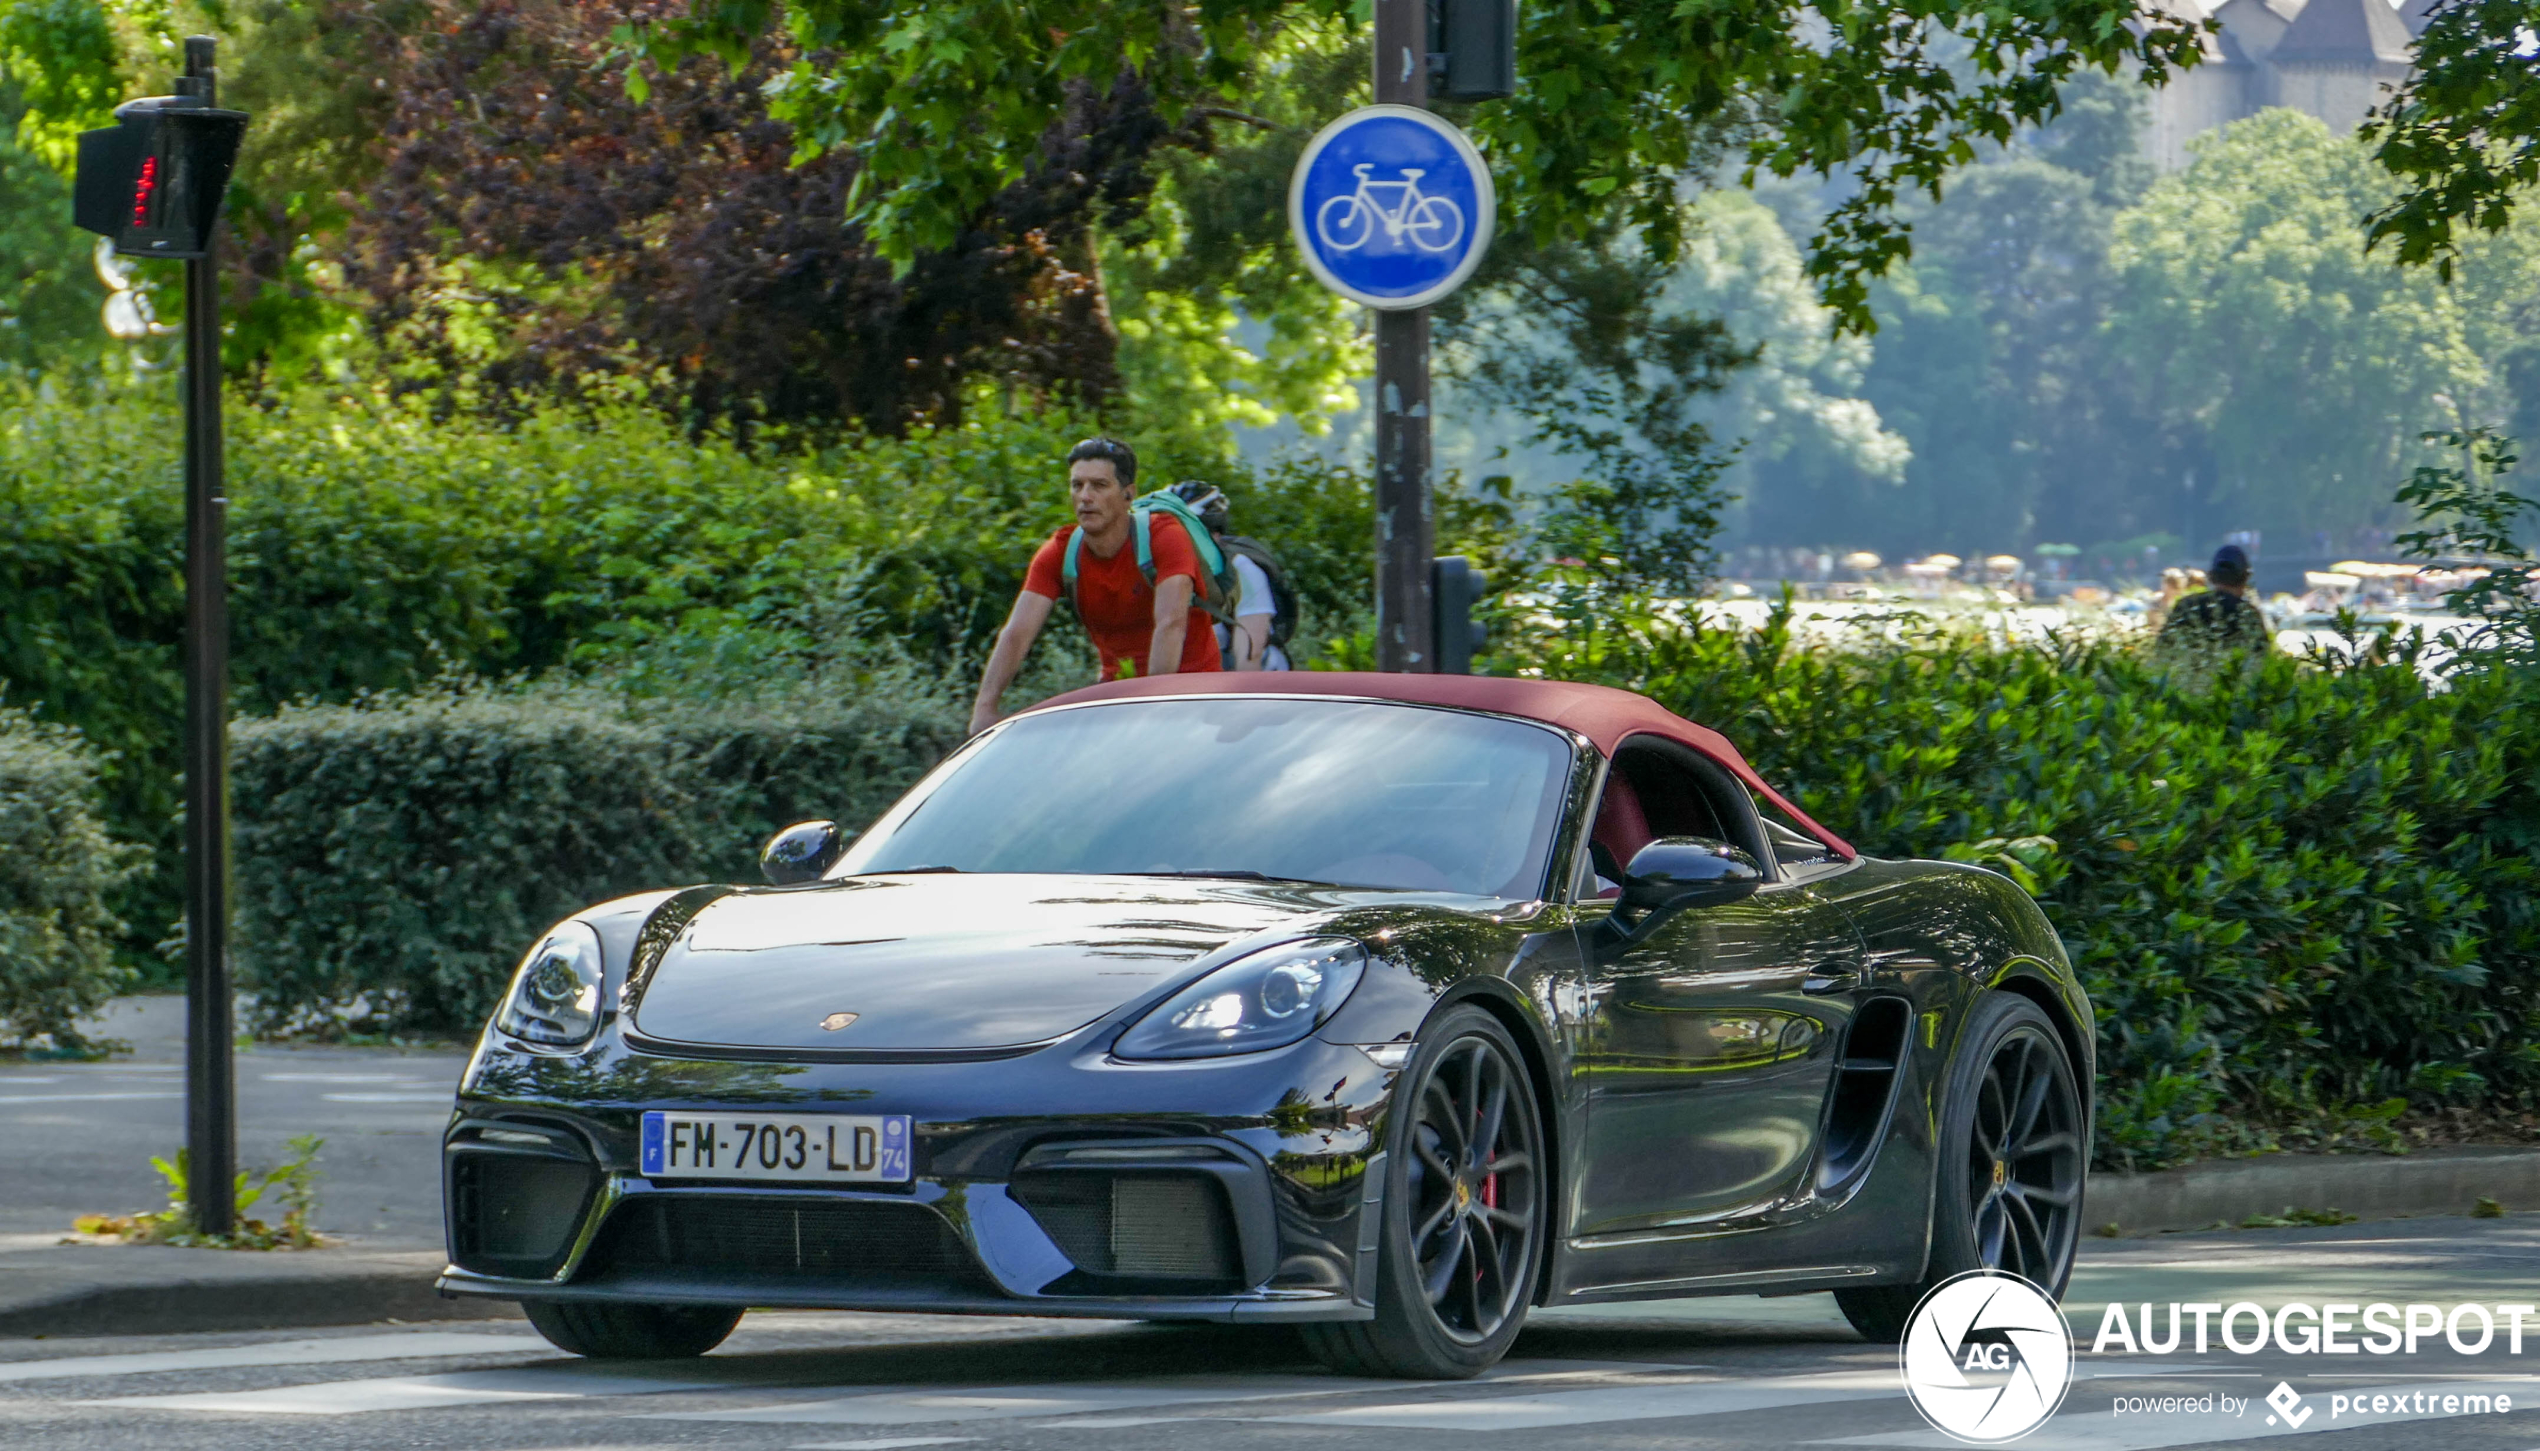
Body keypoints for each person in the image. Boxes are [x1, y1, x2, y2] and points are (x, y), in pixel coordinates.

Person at [969, 438, 1221, 735]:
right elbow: (1017, 633)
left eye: (1099, 486)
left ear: (1128, 494)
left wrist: (1154, 706)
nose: (1085, 497)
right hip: (1117, 699)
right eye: (1077, 486)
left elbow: (1171, 623)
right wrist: (985, 708)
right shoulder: (1061, 551)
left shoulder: (1164, 537)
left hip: (1195, 694)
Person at [1168, 481, 1294, 671]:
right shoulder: (1157, 567)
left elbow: (1249, 661)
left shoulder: (1243, 572)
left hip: (1257, 683)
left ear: (1215, 535)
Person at [2156, 544, 2271, 660]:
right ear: (2245, 579)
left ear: (2211, 576)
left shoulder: (2186, 606)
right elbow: (2262, 660)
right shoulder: (2248, 614)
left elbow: (2162, 651)